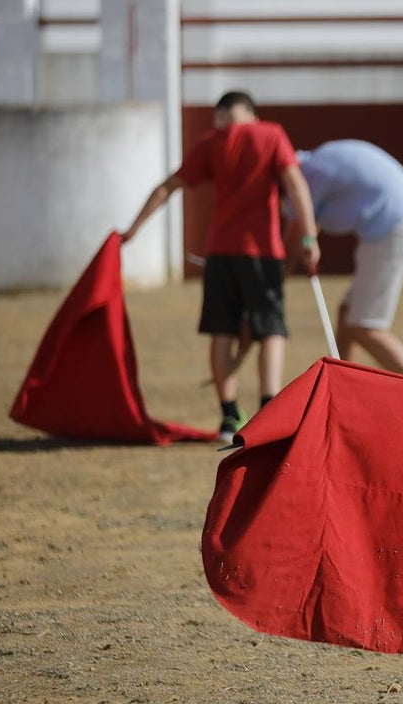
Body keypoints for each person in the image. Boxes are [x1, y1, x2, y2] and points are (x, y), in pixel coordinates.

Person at [120, 90, 320, 441]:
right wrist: (308, 238)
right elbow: (296, 184)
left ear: (221, 116)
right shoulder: (270, 133)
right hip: (262, 251)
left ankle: (229, 417)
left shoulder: (211, 141)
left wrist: (132, 230)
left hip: (220, 253)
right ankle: (268, 408)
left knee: (222, 331)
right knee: (271, 329)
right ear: (251, 115)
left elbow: (168, 187)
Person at [282, 139, 403, 381]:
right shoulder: (315, 164)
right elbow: (307, 228)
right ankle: (346, 388)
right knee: (348, 313)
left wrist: (279, 276)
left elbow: (299, 231)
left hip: (395, 226)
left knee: (364, 326)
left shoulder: (305, 176)